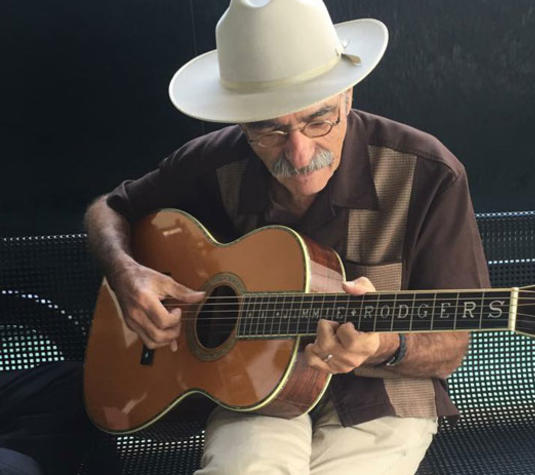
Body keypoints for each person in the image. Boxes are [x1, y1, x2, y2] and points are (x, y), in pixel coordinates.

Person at [84, 1, 490, 473]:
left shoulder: (428, 172)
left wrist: (382, 345)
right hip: (251, 387)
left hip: (382, 391)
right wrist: (127, 273)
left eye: (319, 121)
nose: (298, 154)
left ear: (348, 96)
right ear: (241, 122)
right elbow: (109, 208)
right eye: (270, 131)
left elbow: (451, 343)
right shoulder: (214, 162)